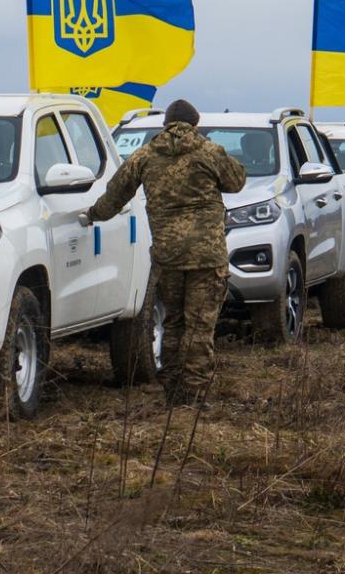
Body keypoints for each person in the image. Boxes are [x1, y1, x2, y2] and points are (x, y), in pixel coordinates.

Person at [80, 99, 247, 407]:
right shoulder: (209, 152)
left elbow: (115, 195)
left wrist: (92, 214)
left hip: (168, 256)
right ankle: (194, 398)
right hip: (207, 256)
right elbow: (236, 182)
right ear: (195, 125)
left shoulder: (144, 155)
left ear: (165, 125)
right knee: (199, 326)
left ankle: (172, 390)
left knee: (173, 322)